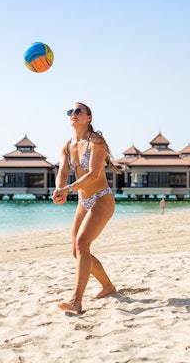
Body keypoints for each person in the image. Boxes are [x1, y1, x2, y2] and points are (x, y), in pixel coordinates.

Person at [52, 102, 120, 313]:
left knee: (82, 243)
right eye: (70, 111)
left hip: (101, 198)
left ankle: (76, 301)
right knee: (77, 250)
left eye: (78, 111)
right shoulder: (67, 145)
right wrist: (58, 189)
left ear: (89, 117)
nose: (73, 114)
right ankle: (108, 286)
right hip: (83, 201)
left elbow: (94, 174)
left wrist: (69, 189)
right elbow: (62, 172)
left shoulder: (96, 142)